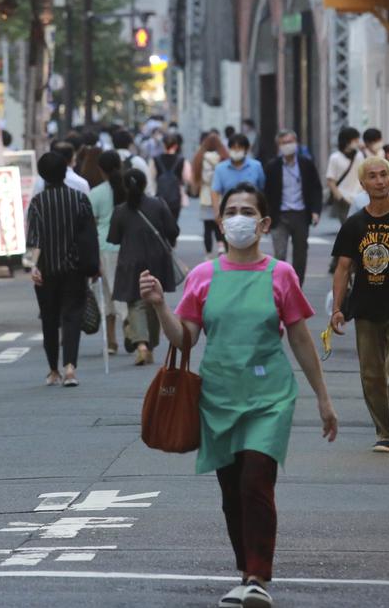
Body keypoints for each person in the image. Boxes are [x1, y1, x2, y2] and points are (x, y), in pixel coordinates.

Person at [139, 183, 338, 608]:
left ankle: (257, 576)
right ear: (221, 221)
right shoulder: (203, 276)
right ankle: (245, 571)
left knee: (255, 480)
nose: (239, 218)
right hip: (217, 398)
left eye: (248, 211)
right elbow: (185, 338)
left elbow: (301, 340)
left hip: (270, 398)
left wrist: (323, 397)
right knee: (232, 493)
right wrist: (160, 307)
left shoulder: (281, 274)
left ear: (264, 224)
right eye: (231, 211)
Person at [330, 157, 389, 453]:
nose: (380, 181)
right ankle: (385, 431)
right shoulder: (354, 225)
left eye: (384, 175)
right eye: (373, 176)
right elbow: (343, 268)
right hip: (367, 307)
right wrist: (337, 308)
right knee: (371, 373)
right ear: (364, 183)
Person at [28, 153, 97, 387]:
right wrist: (93, 266)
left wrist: (34, 266)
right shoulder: (79, 199)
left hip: (46, 269)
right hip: (74, 268)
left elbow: (35, 238)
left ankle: (53, 370)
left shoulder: (38, 202)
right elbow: (90, 236)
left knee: (49, 318)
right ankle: (70, 368)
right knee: (72, 316)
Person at [108, 169, 179, 366]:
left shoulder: (121, 210)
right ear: (145, 183)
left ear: (124, 185)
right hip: (157, 260)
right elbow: (173, 230)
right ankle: (151, 344)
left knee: (135, 303)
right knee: (154, 303)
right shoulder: (158, 204)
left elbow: (113, 238)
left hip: (130, 261)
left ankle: (141, 345)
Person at [263, 129, 323, 285]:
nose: (287, 145)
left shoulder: (306, 164)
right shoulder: (272, 167)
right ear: (279, 146)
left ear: (296, 143)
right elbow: (266, 193)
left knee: (300, 254)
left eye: (290, 142)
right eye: (284, 143)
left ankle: (297, 287)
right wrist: (266, 217)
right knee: (280, 254)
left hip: (301, 214)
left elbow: (316, 188)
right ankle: (279, 287)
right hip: (279, 215)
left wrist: (316, 211)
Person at [88, 150, 126, 354]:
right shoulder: (128, 189)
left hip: (104, 248)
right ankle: (133, 334)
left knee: (107, 294)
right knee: (127, 293)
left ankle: (112, 341)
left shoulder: (96, 193)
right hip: (127, 247)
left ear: (100, 169)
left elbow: (91, 225)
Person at [192, 132, 228, 258]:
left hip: (206, 195)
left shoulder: (200, 157)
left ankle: (208, 254)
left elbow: (196, 177)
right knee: (220, 224)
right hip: (220, 196)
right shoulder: (223, 157)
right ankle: (221, 247)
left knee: (207, 227)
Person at [211, 133, 266, 214]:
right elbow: (215, 191)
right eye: (233, 148)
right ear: (229, 149)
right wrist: (216, 212)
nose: (236, 151)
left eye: (240, 148)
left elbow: (261, 188)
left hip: (251, 210)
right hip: (229, 211)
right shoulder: (220, 168)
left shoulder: (256, 166)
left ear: (246, 150)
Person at [325, 127, 364, 222]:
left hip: (358, 196)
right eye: (355, 140)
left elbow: (363, 175)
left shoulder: (359, 156)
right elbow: (330, 180)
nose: (357, 142)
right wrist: (339, 197)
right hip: (343, 198)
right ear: (347, 141)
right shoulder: (335, 158)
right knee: (347, 225)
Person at [151, 132, 189, 227]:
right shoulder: (182, 160)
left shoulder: (155, 160)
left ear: (163, 145)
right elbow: (187, 178)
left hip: (159, 198)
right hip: (176, 198)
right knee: (173, 223)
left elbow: (150, 178)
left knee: (161, 224)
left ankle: (163, 241)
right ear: (176, 146)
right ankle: (172, 241)